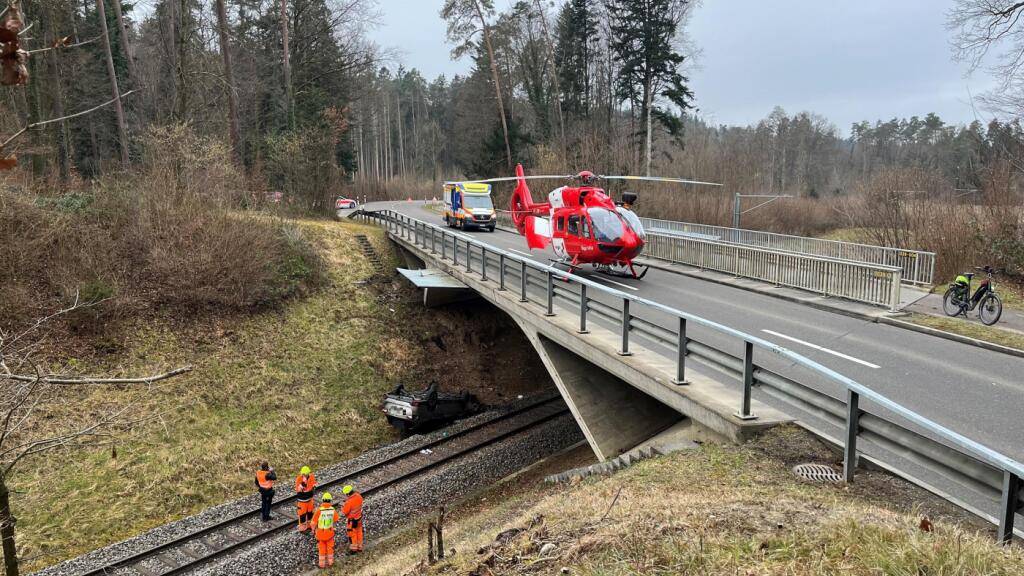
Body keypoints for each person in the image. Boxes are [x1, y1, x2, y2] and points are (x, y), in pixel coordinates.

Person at [311, 492, 340, 568]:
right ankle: (330, 563)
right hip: (330, 532)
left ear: (323, 500)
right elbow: (336, 519)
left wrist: (313, 530)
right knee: (330, 548)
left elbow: (313, 522)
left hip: (320, 533)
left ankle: (322, 564)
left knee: (321, 549)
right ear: (330, 501)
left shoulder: (319, 511)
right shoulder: (332, 510)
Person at [340, 484, 364, 554]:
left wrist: (343, 506)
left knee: (352, 535)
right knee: (359, 532)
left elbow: (345, 512)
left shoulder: (348, 502)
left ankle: (354, 550)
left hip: (352, 521)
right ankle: (360, 547)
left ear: (347, 494)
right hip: (359, 518)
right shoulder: (359, 496)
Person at [294, 466, 317, 532]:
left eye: (305, 474)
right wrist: (302, 485)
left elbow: (314, 483)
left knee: (310, 513)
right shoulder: (299, 478)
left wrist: (314, 486)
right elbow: (298, 489)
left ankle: (310, 526)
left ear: (308, 473)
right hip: (302, 500)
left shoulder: (311, 476)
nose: (304, 475)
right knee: (302, 515)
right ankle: (302, 528)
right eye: (303, 474)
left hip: (309, 499)